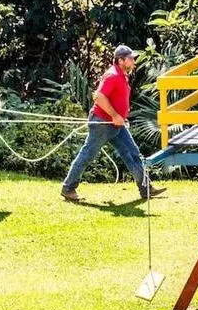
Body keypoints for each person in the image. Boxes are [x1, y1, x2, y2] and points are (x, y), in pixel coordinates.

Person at [61, 45, 166, 202]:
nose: (133, 61)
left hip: (115, 124)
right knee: (88, 154)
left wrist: (121, 116)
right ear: (121, 60)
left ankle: (146, 188)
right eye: (130, 58)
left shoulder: (122, 76)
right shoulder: (113, 75)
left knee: (132, 152)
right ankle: (68, 188)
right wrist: (116, 115)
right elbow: (99, 97)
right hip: (103, 123)